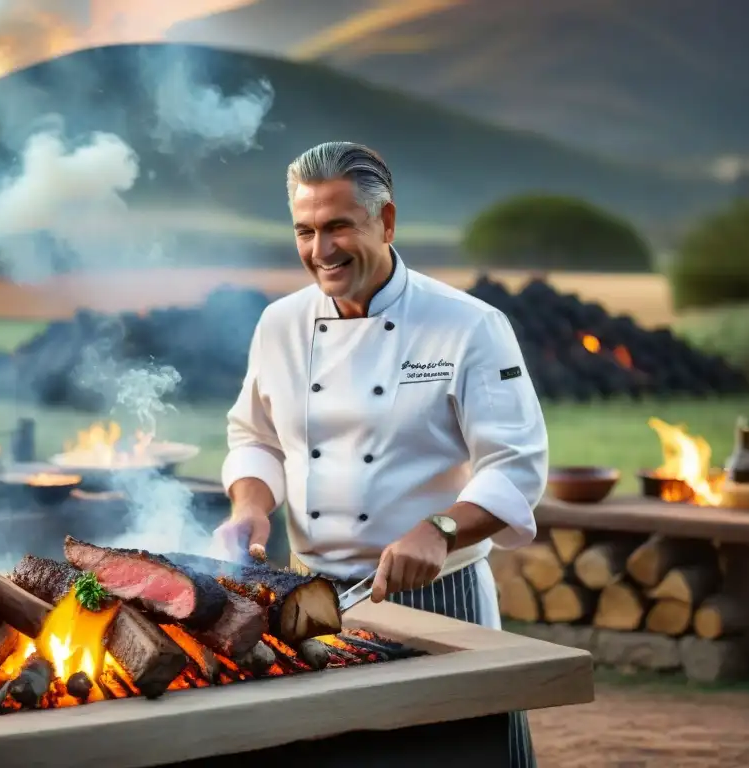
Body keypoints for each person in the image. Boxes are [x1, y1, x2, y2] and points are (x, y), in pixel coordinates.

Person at [213, 141, 548, 767]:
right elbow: (255, 438)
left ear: (386, 221)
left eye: (339, 226)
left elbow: (516, 467)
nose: (321, 250)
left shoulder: (469, 325)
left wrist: (440, 528)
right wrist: (250, 509)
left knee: (450, 755)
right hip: (310, 605)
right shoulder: (279, 325)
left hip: (439, 600)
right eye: (305, 231)